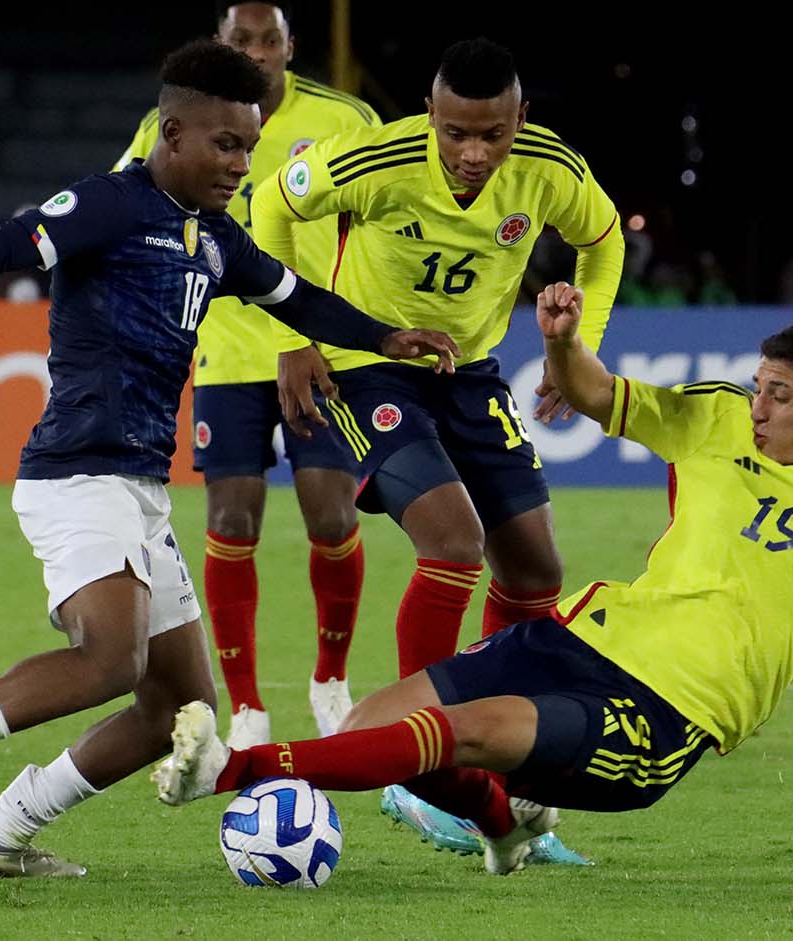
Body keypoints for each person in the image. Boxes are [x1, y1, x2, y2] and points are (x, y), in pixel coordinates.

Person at [153, 286, 793, 876]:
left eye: (779, 394)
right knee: (371, 730)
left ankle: (226, 771)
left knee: (459, 732)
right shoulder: (711, 419)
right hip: (580, 637)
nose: (757, 404)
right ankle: (507, 829)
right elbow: (591, 392)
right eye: (756, 384)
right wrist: (558, 342)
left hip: (668, 710)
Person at [0, 39, 458, 879]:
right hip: (74, 476)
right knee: (108, 658)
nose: (240, 164)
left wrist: (382, 336)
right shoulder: (107, 207)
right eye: (225, 145)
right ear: (171, 132)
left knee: (179, 707)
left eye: (250, 148)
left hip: (139, 491)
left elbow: (293, 296)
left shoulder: (213, 238)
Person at [249, 36, 622, 860]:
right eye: (455, 132)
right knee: (452, 540)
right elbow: (272, 204)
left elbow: (604, 242)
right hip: (369, 366)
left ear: (519, 119)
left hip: (469, 371)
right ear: (430, 113)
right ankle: (421, 769)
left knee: (533, 571)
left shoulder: (550, 169)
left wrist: (578, 352)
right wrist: (295, 331)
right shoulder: (372, 160)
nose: (472, 152)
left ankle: (496, 768)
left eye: (491, 133)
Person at [112, 3, 381, 749]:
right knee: (233, 520)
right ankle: (249, 706)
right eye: (242, 41)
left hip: (319, 349)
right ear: (218, 46)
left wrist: (332, 329)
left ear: (291, 48)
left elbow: (382, 223)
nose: (257, 53)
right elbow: (129, 209)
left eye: (270, 41)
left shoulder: (345, 119)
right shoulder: (173, 122)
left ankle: (330, 680)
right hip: (226, 350)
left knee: (332, 516)